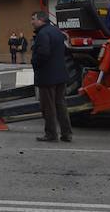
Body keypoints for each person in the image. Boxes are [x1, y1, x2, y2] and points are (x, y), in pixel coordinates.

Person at [30, 12, 72, 142]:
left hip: (47, 76)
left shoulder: (42, 34)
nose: (32, 22)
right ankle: (66, 133)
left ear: (41, 20)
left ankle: (51, 134)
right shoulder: (56, 31)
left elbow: (43, 54)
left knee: (48, 107)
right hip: (60, 75)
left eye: (33, 19)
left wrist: (34, 63)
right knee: (61, 105)